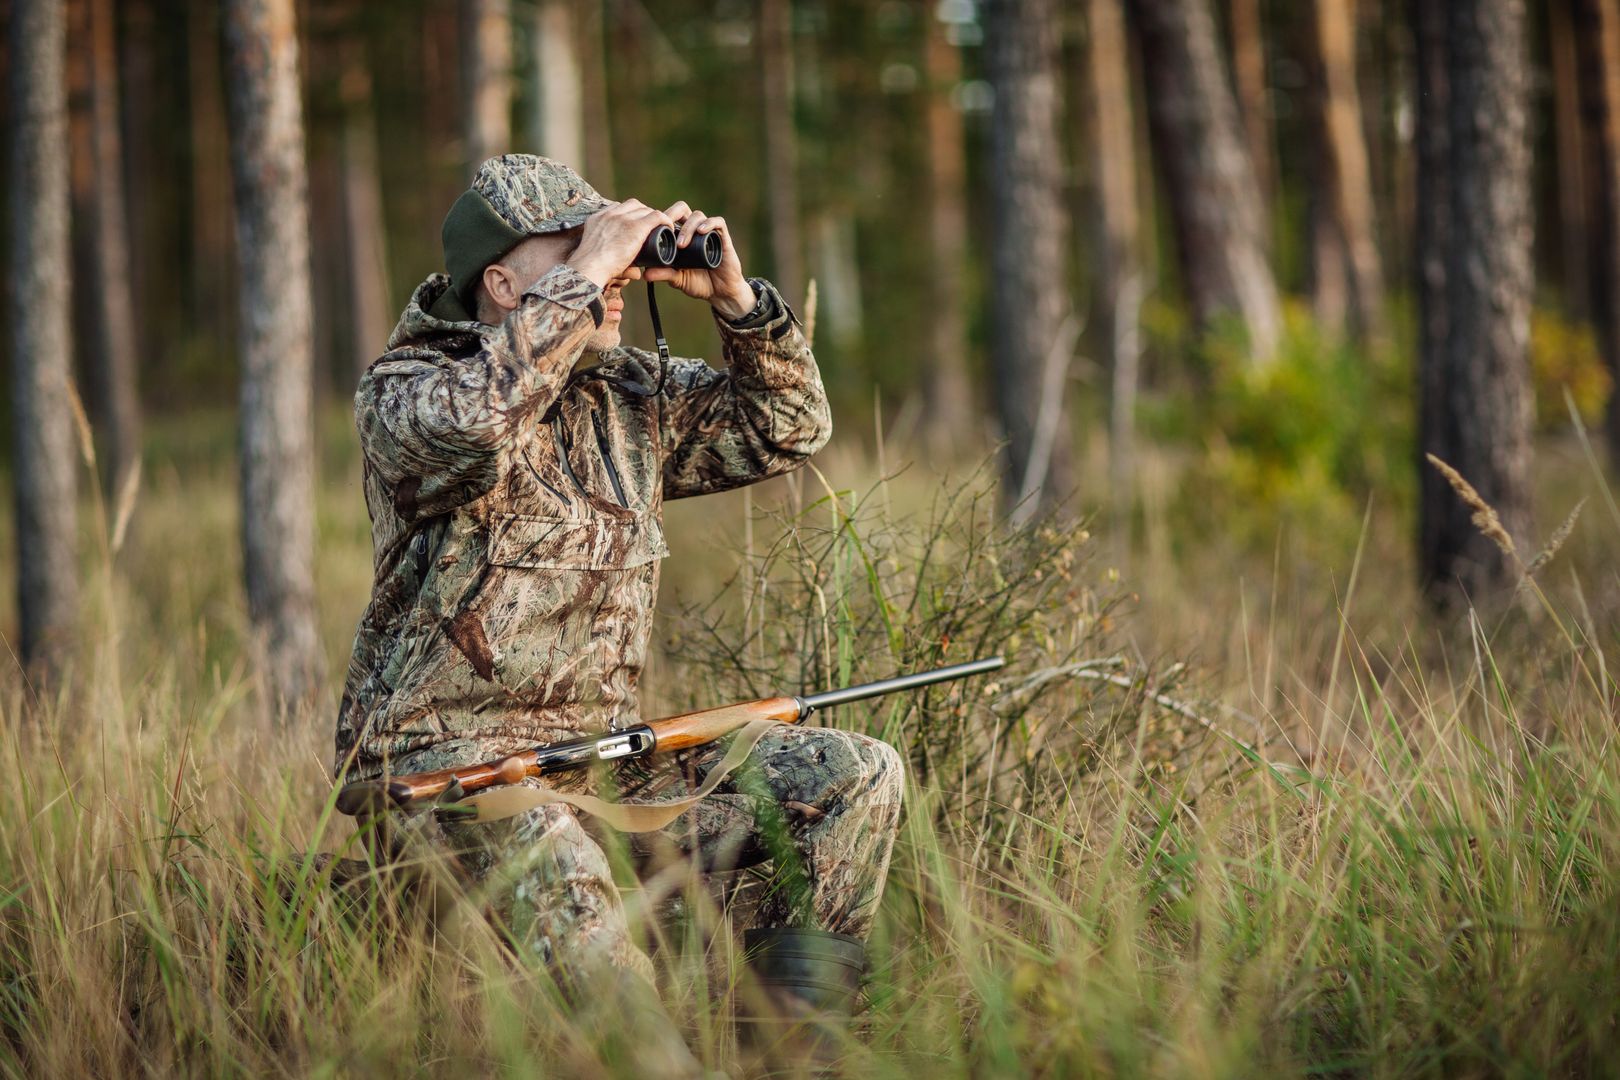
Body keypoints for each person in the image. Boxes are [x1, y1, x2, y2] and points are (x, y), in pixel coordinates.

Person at [334, 154, 902, 1074]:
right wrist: (587, 276)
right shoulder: (404, 392)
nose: (614, 281)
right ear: (502, 283)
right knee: (557, 866)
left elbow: (787, 428)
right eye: (578, 255)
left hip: (599, 761)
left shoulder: (626, 395)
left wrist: (737, 305)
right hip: (447, 775)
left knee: (855, 774)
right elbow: (477, 423)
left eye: (615, 255)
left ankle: (788, 1056)